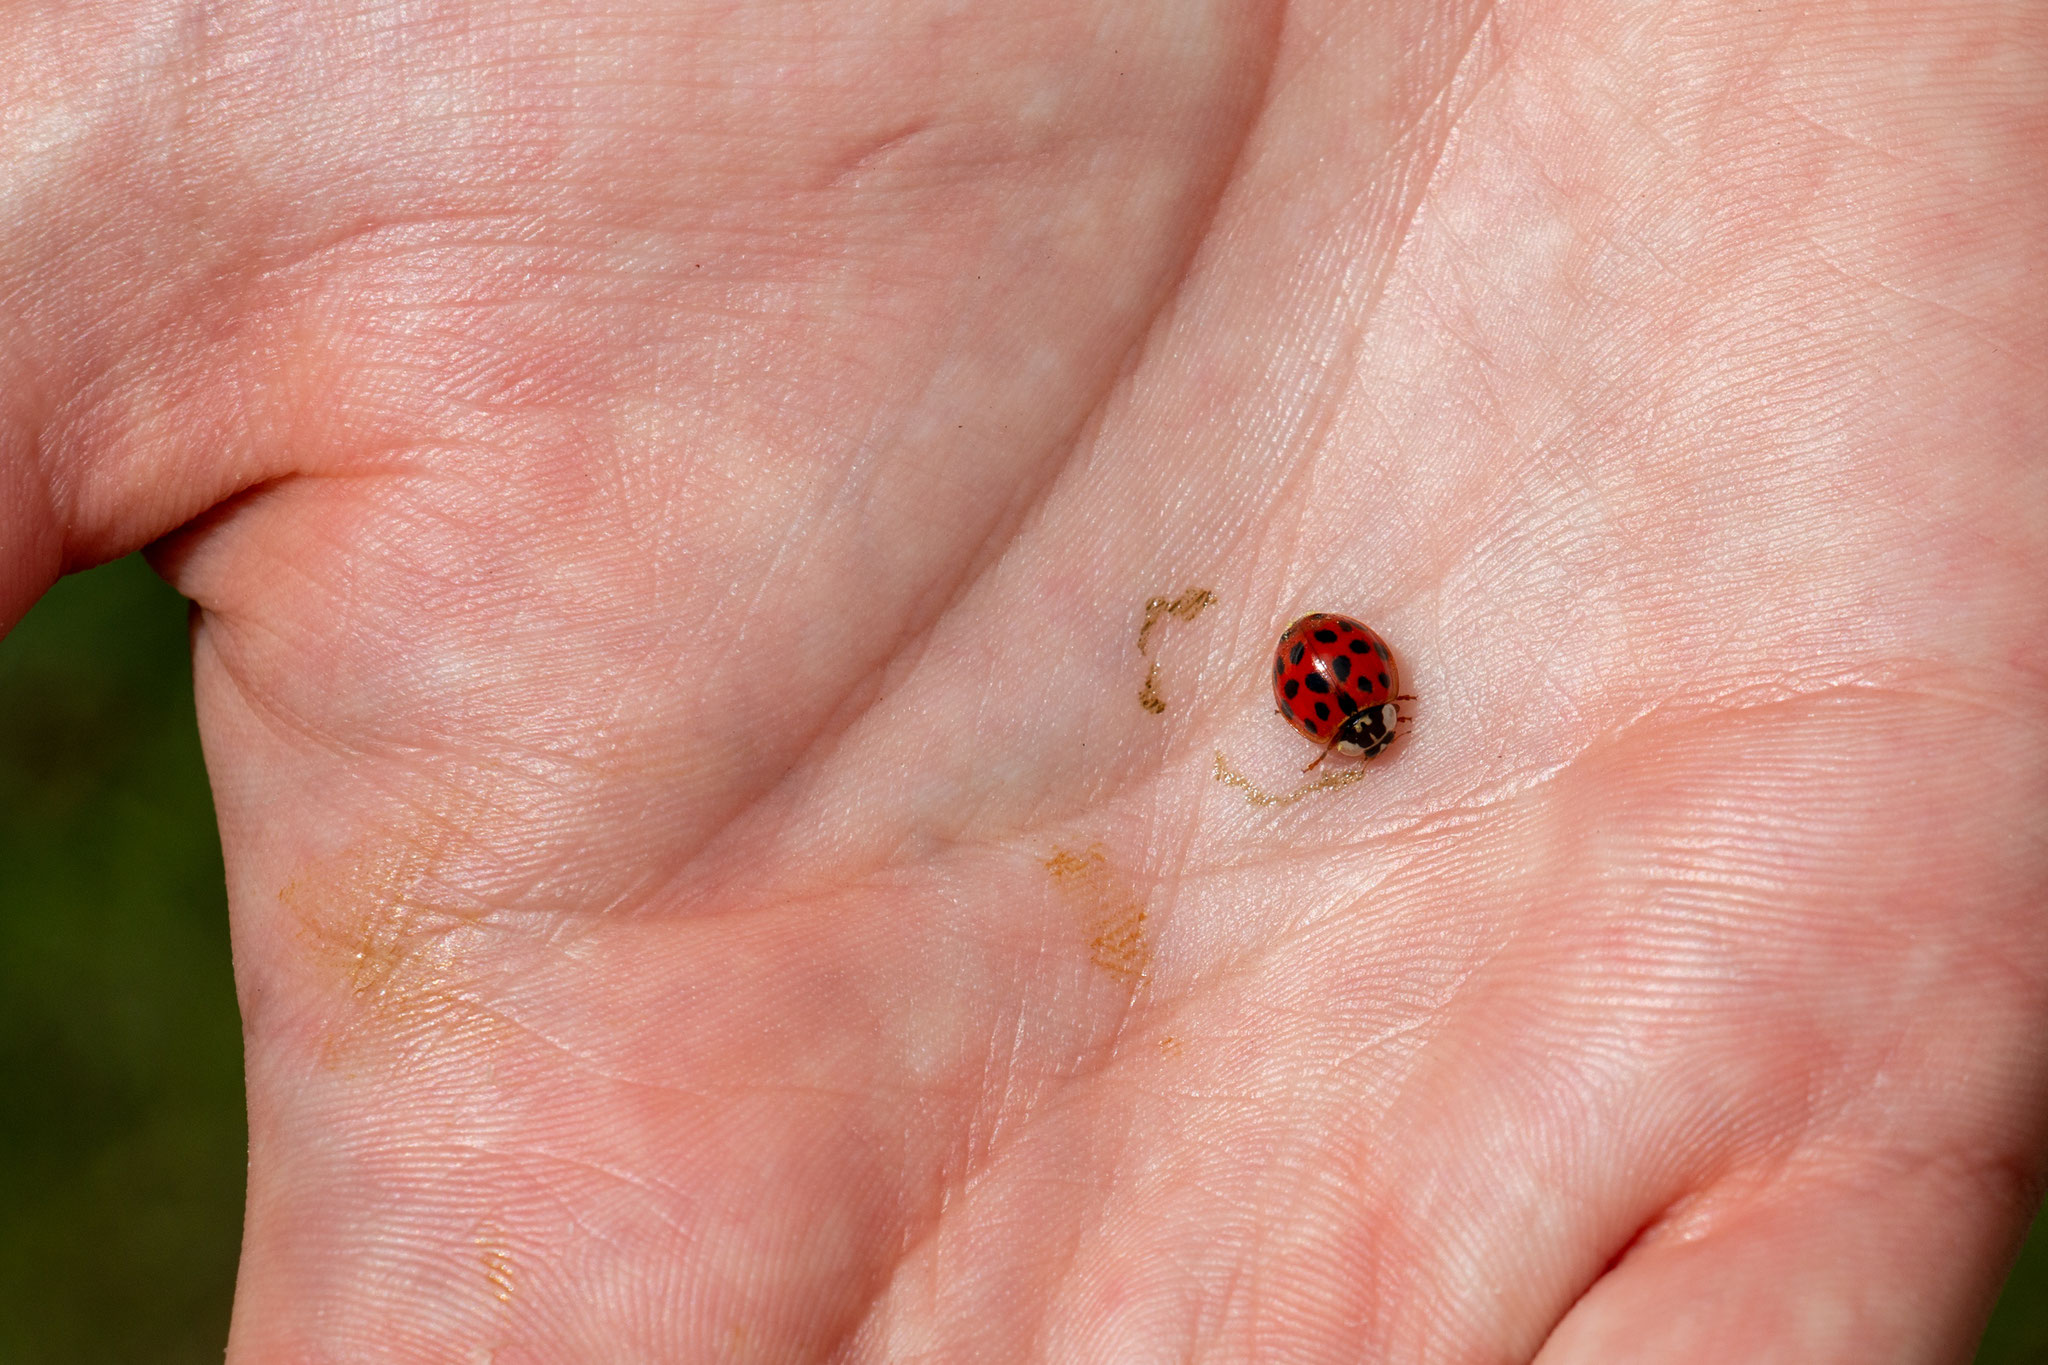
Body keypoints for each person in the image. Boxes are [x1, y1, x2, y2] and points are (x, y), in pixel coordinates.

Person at [3, 0, 2041, 1357]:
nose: (1336, 695)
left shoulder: (1345, 674)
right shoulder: (1330, 675)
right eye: (1341, 699)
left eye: (1339, 699)